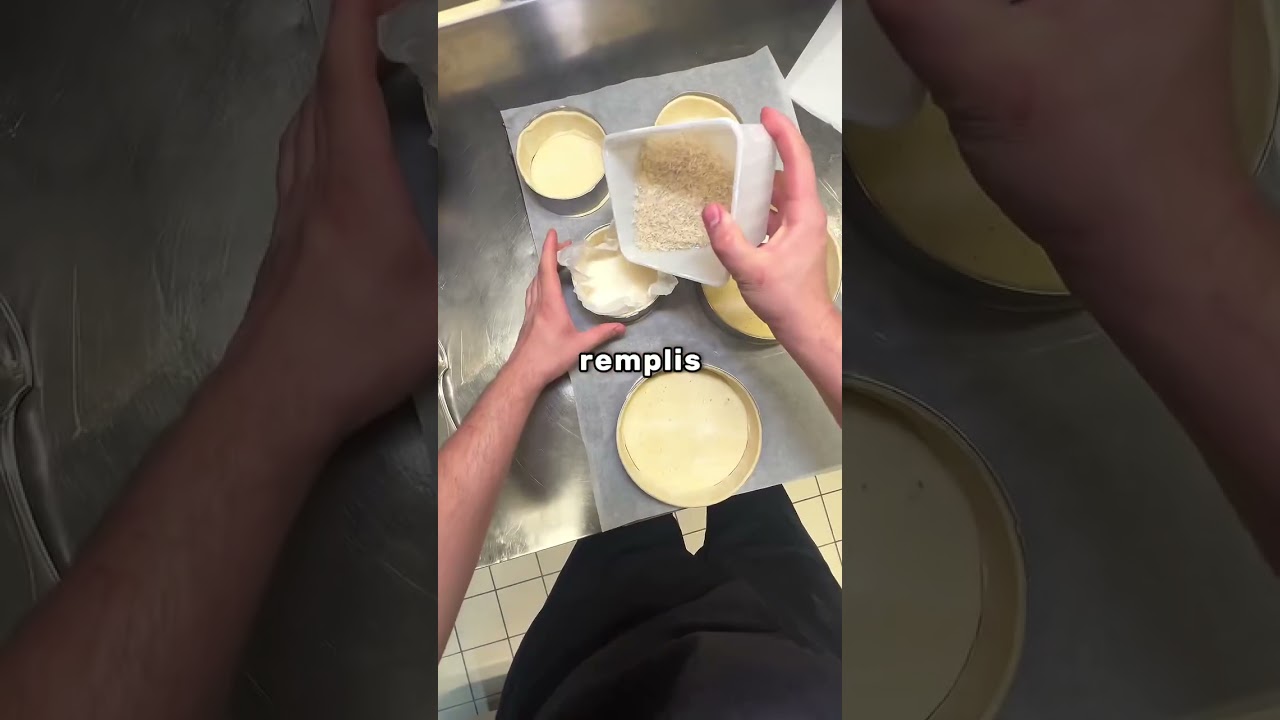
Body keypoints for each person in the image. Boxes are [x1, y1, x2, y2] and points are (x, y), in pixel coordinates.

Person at [1, 0, 1277, 717]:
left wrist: (516, 375)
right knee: (745, 547)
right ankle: (700, 554)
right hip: (783, 643)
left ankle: (645, 572)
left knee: (626, 572)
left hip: (585, 680)